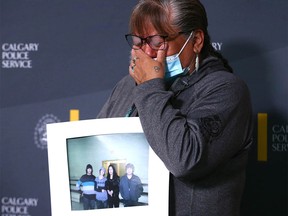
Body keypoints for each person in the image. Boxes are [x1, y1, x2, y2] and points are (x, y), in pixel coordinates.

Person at [97, 0, 253, 215]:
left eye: (156, 41)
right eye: (138, 41)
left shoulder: (226, 90)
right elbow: (98, 145)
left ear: (196, 40)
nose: (146, 52)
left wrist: (151, 87)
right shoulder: (128, 85)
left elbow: (184, 161)